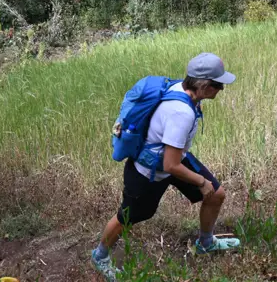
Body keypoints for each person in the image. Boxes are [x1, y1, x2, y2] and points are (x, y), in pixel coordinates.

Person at [92, 53, 241, 281]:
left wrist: (204, 183)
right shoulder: (180, 113)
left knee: (216, 194)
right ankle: (100, 255)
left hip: (172, 158)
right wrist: (200, 182)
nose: (221, 89)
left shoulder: (182, 89)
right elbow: (170, 165)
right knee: (128, 216)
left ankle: (206, 243)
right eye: (217, 84)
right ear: (203, 85)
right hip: (148, 172)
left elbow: (173, 158)